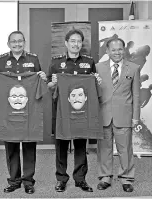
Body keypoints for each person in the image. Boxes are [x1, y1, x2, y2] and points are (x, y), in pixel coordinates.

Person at [0, 31, 47, 194]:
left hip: (29, 111)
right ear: (8, 43)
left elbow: (39, 85)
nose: (17, 44)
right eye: (13, 41)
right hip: (9, 112)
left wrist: (42, 77)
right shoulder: (1, 60)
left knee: (29, 145)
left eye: (20, 41)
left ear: (24, 42)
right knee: (11, 146)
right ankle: (14, 180)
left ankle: (28, 181)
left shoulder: (33, 59)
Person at [47, 29, 101, 193]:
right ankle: (61, 179)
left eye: (79, 41)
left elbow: (93, 88)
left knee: (80, 145)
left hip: (81, 112)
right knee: (61, 146)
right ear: (66, 43)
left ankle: (80, 179)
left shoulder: (89, 62)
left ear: (81, 44)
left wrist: (97, 81)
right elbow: (49, 87)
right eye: (73, 41)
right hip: (62, 112)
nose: (76, 44)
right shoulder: (56, 63)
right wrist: (54, 83)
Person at [96, 38, 140, 193]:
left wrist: (135, 117)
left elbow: (136, 94)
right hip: (104, 115)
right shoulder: (98, 68)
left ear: (124, 50)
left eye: (120, 49)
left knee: (125, 149)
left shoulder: (133, 68)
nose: (117, 52)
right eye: (113, 50)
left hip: (124, 115)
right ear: (107, 51)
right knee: (104, 148)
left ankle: (126, 178)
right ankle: (105, 177)